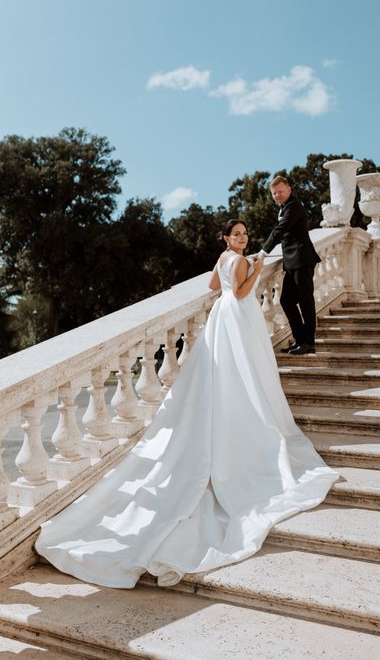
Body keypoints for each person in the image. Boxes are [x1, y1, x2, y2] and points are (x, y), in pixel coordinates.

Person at [35, 220, 338, 589]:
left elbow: (214, 286)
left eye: (244, 234)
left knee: (225, 369)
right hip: (238, 315)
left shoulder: (222, 258)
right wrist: (257, 268)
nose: (242, 238)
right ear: (227, 238)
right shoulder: (241, 261)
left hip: (221, 317)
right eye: (237, 235)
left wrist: (234, 277)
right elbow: (242, 294)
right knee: (248, 369)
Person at [259, 175, 320, 355]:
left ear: (289, 190)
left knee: (306, 302)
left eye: (280, 191)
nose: (277, 195)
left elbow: (279, 231)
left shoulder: (293, 207)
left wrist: (263, 252)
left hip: (302, 260)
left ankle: (308, 342)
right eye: (274, 193)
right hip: (293, 262)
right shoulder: (284, 207)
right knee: (286, 300)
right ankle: (299, 339)